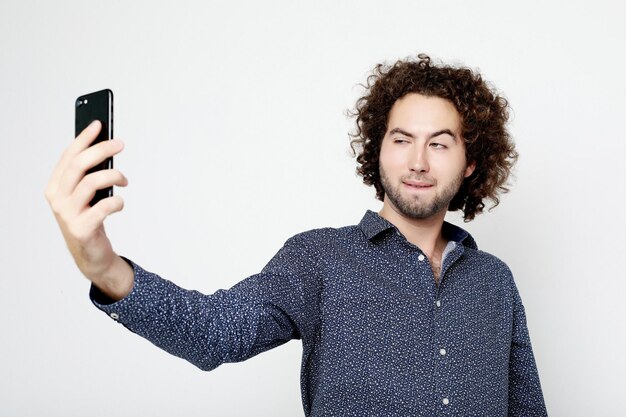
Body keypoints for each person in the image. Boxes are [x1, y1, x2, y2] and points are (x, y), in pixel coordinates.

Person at [45, 54, 548, 416]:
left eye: (439, 144)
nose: (417, 161)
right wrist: (104, 268)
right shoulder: (319, 258)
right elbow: (216, 331)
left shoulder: (494, 281)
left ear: (471, 162)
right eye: (401, 140)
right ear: (379, 151)